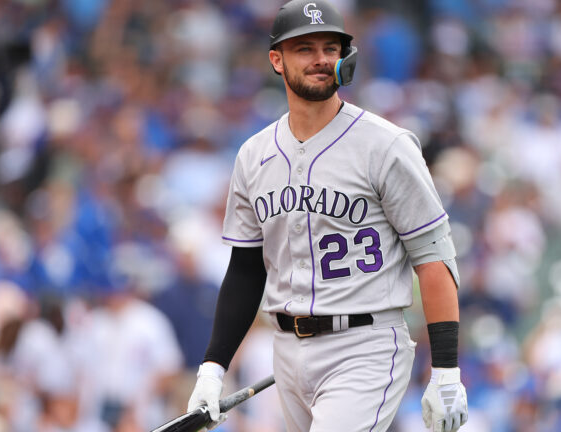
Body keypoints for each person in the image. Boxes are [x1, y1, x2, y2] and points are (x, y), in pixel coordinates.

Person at [187, 1, 468, 431]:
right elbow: (246, 271)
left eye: (330, 47)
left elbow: (433, 257)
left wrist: (446, 370)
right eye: (304, 48)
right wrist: (212, 369)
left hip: (367, 345)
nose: (321, 58)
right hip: (286, 349)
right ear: (276, 60)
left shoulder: (385, 145)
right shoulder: (254, 155)